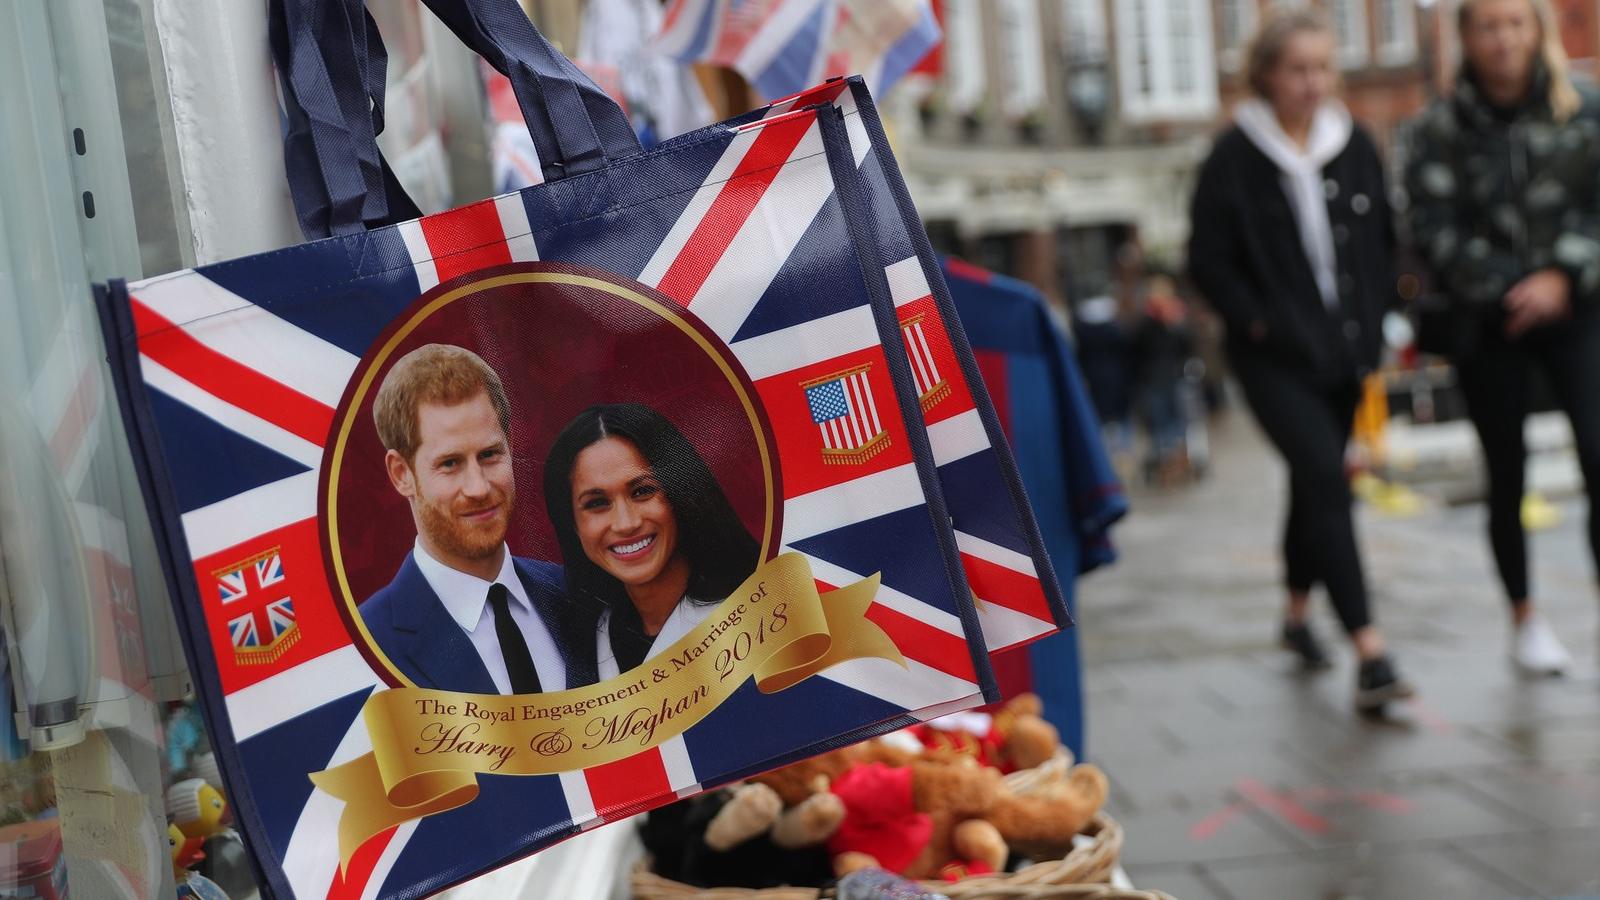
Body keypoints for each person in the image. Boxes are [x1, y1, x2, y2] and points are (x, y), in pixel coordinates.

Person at [1188, 9, 1414, 711]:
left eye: (1322, 68)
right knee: (1325, 474)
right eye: (1298, 70)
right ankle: (1370, 650)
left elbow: (1382, 240)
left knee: (1311, 483)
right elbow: (1208, 261)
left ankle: (1293, 615)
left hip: (1345, 350)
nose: (1313, 83)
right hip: (1273, 357)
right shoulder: (1233, 158)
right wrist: (1258, 323)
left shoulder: (1355, 145)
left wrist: (1378, 319)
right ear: (1267, 77)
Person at [1404, 0, 1600, 676]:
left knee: (1598, 456)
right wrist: (1510, 287)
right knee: (1506, 471)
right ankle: (1525, 618)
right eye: (1488, 25)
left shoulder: (1585, 110)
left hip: (1581, 309)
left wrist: (1560, 277)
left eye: (1515, 22)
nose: (1503, 38)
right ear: (1465, 37)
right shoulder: (1436, 129)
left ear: (1536, 29)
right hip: (1488, 323)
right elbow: (1431, 227)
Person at [358, 344, 595, 693]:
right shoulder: (366, 643)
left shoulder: (580, 597)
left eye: (489, 455)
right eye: (450, 463)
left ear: (510, 446)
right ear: (401, 473)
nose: (478, 487)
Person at [542, 404, 760, 680]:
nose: (626, 523)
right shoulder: (583, 644)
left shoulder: (755, 614)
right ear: (572, 523)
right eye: (597, 503)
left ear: (681, 494)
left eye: (643, 491)